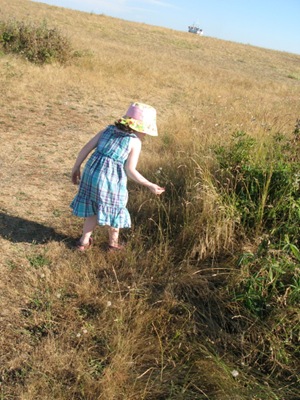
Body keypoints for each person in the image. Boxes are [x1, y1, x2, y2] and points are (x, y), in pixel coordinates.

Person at [70, 102, 165, 251]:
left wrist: (76, 167)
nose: (145, 134)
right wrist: (149, 184)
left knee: (93, 206)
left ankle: (83, 242)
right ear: (139, 128)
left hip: (91, 173)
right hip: (110, 180)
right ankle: (113, 245)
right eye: (145, 130)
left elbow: (86, 148)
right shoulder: (134, 142)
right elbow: (130, 170)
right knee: (116, 209)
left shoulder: (107, 130)